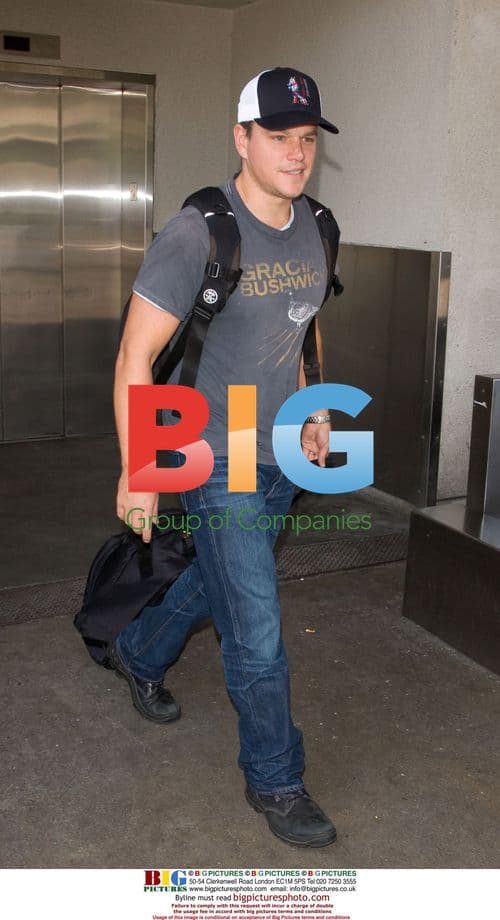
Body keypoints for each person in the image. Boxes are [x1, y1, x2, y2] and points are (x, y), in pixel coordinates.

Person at [111, 67, 340, 848]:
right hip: (212, 451)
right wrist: (140, 470)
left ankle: (138, 651)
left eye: (307, 138)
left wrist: (314, 407)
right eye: (278, 137)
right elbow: (136, 357)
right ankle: (276, 779)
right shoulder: (198, 232)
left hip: (280, 446)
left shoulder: (318, 223)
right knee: (258, 623)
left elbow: (301, 324)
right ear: (241, 138)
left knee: (223, 583)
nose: (295, 153)